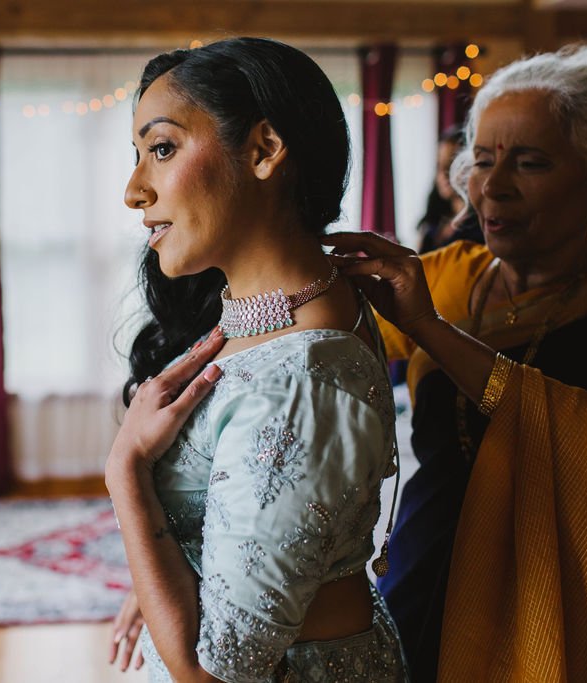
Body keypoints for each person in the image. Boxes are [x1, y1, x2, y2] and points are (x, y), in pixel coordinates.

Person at [324, 44, 587, 682]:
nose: (492, 186)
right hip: (425, 567)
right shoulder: (450, 277)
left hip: (557, 598)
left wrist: (429, 329)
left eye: (529, 162)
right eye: (481, 160)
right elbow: (310, 344)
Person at [105, 38, 408, 682]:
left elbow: (212, 674)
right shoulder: (285, 304)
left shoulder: (304, 378)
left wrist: (127, 474)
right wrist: (165, 574)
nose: (134, 190)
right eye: (138, 156)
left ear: (265, 150)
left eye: (161, 150)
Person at [415, 126, 483, 254]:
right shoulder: (433, 222)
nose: (444, 173)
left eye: (452, 164)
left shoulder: (481, 225)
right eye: (439, 165)